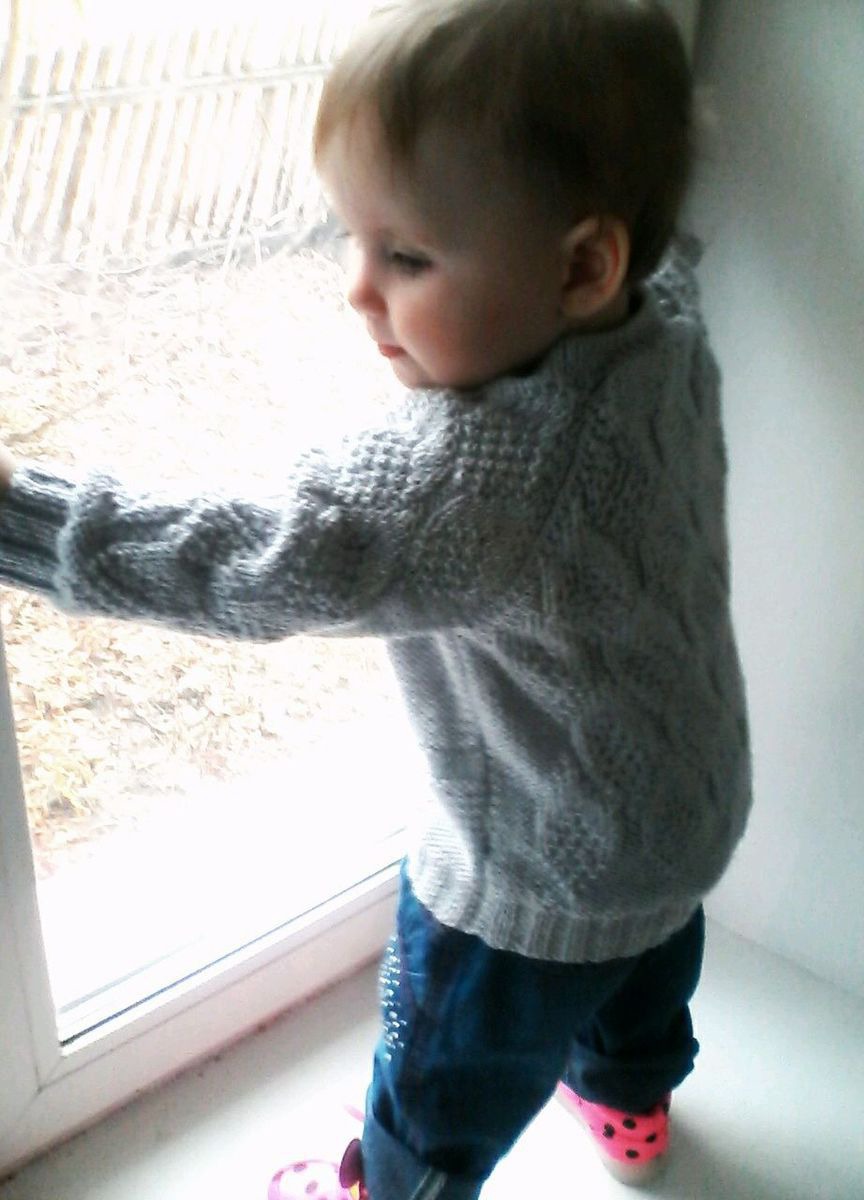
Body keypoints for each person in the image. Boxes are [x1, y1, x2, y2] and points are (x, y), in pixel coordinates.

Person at [0, 0, 751, 1196]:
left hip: (529, 886)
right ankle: (630, 1105)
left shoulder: (472, 475)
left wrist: (19, 516)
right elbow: (675, 245)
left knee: (437, 1068)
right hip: (690, 809)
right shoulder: (667, 318)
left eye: (405, 257)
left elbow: (253, 558)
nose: (357, 289)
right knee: (646, 973)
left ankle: (391, 1185)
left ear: (582, 265)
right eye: (352, 239)